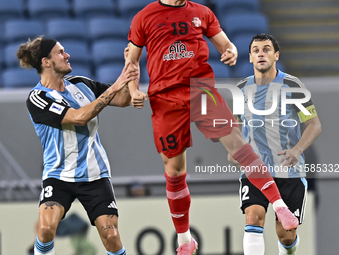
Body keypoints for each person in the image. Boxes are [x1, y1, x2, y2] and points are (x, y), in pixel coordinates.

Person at [125, 1, 300, 254]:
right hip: (165, 98)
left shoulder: (202, 12)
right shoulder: (144, 17)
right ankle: (185, 239)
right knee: (174, 170)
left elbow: (225, 44)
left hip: (201, 90)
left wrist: (230, 51)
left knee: (238, 144)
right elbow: (131, 61)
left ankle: (280, 205)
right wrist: (133, 91)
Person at [17, 36, 138, 255]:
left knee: (111, 236)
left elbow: (123, 99)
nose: (67, 55)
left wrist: (131, 64)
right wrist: (118, 83)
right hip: (58, 175)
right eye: (60, 52)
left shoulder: (81, 84)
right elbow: (78, 117)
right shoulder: (38, 97)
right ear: (46, 62)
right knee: (45, 229)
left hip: (94, 174)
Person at [228, 33, 321, 255]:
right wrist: (233, 150)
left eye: (266, 49)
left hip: (289, 170)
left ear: (276, 55)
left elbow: (314, 125)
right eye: (256, 50)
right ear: (250, 57)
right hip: (255, 170)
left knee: (286, 234)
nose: (261, 53)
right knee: (253, 216)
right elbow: (234, 126)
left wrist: (297, 150)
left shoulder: (292, 85)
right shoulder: (241, 89)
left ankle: (287, 249)